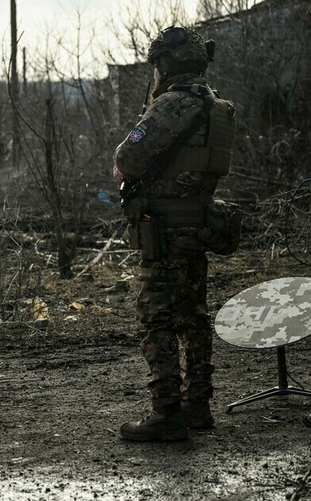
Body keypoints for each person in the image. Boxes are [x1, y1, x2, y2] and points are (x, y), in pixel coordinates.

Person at [113, 26, 237, 441]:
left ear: (165, 65)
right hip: (197, 224)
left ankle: (166, 412)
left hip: (164, 230)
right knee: (194, 316)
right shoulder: (217, 107)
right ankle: (197, 405)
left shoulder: (170, 104)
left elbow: (127, 158)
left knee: (157, 318)